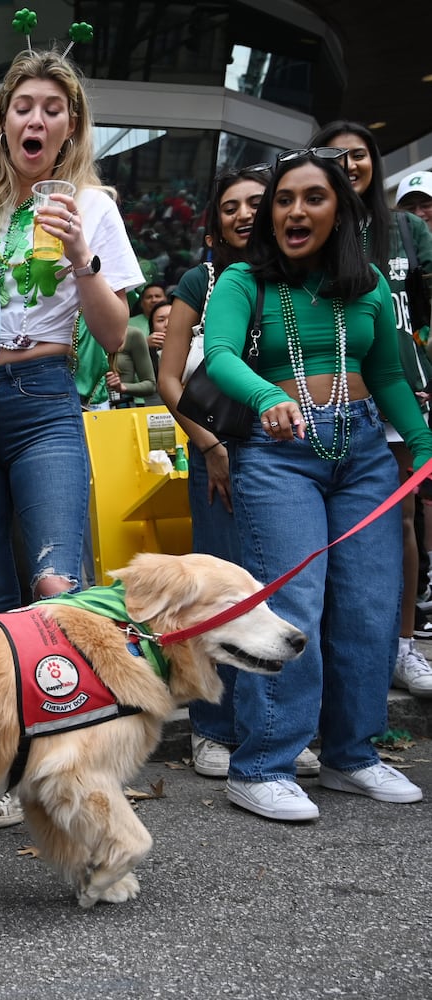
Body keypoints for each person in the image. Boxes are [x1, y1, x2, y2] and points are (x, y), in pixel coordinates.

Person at [0, 47, 144, 830]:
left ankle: (82, 764)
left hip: (47, 397)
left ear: (70, 126)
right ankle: (5, 761)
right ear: (4, 120)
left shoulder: (93, 204)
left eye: (53, 109)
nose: (37, 119)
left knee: (60, 586)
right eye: (25, 106)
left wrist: (82, 256)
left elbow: (114, 334)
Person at [203, 146, 432, 821]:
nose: (294, 210)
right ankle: (262, 765)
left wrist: (421, 446)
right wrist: (261, 397)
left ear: (340, 212)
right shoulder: (244, 280)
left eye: (312, 198)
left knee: (366, 606)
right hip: (278, 455)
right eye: (283, 199)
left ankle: (350, 757)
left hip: (362, 452)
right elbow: (216, 355)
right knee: (291, 609)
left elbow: (389, 376)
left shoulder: (364, 289)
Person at [157, 165, 316, 780]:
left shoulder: (300, 277)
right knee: (220, 599)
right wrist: (210, 446)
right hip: (221, 454)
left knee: (278, 595)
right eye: (230, 207)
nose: (245, 214)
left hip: (289, 453)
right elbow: (171, 380)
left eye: (256, 202)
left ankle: (269, 731)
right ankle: (212, 729)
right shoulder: (202, 279)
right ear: (214, 223)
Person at [314, 121, 432, 699]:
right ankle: (350, 643)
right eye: (337, 155)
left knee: (402, 519)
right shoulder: (314, 225)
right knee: (344, 526)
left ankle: (402, 645)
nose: (349, 164)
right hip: (339, 395)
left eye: (358, 155)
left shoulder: (407, 229)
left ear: (373, 161)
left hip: (403, 387)